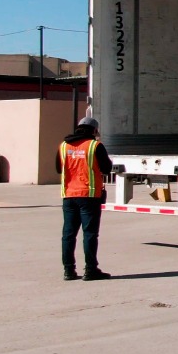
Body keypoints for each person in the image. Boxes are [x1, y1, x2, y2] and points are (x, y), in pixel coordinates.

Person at [56, 117, 113, 281]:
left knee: (68, 234)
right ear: (94, 130)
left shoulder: (64, 146)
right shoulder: (95, 146)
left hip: (69, 195)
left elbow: (59, 169)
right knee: (90, 234)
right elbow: (106, 168)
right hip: (89, 196)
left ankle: (68, 270)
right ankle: (90, 270)